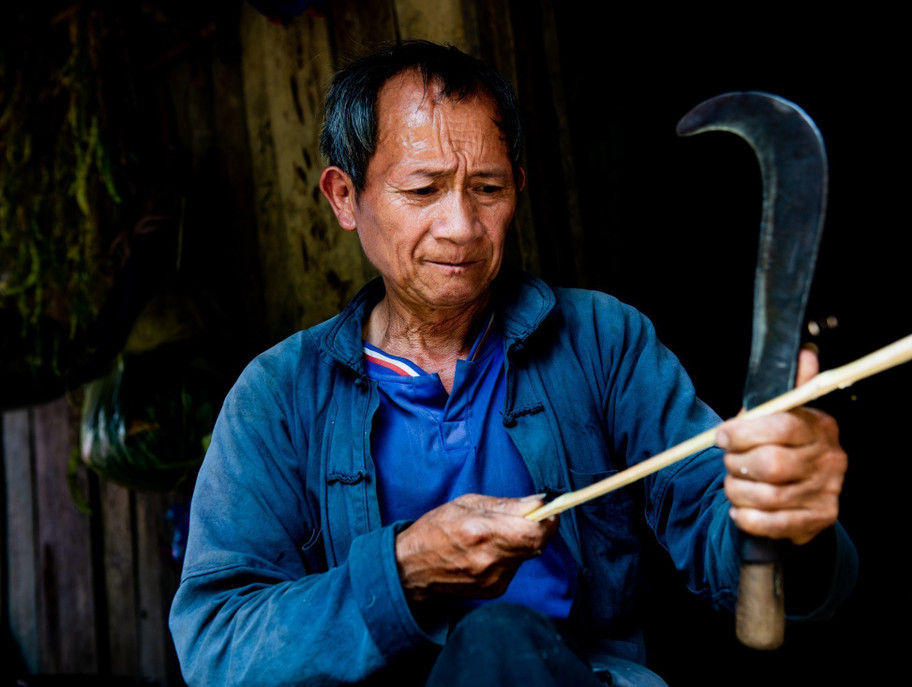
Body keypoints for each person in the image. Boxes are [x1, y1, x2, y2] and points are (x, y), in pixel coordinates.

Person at [169, 41, 857, 686]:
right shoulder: (278, 396)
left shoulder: (601, 340)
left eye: (488, 189)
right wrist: (404, 571)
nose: (462, 225)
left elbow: (713, 516)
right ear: (345, 197)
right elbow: (217, 644)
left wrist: (782, 517)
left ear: (519, 187)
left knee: (502, 642)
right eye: (423, 190)